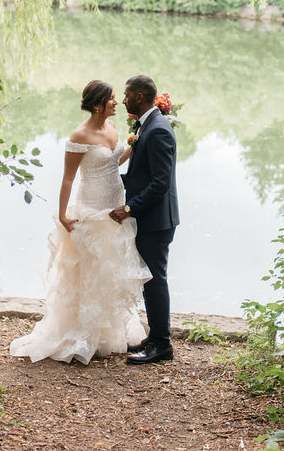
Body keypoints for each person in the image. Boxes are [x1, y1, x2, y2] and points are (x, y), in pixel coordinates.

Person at [9, 80, 151, 364]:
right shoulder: (80, 135)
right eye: (111, 99)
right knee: (89, 271)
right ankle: (82, 333)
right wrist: (63, 214)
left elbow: (112, 163)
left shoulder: (112, 129)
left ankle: (108, 334)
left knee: (111, 271)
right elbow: (67, 178)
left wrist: (133, 146)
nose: (116, 102)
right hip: (91, 208)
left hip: (114, 207)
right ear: (98, 103)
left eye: (116, 98)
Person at [109, 74, 180, 365]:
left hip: (156, 221)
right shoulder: (148, 126)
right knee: (149, 280)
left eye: (126, 94)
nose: (123, 99)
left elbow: (160, 183)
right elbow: (142, 175)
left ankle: (162, 345)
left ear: (139, 96)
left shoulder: (158, 129)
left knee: (155, 280)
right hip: (150, 219)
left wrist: (129, 209)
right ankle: (154, 337)